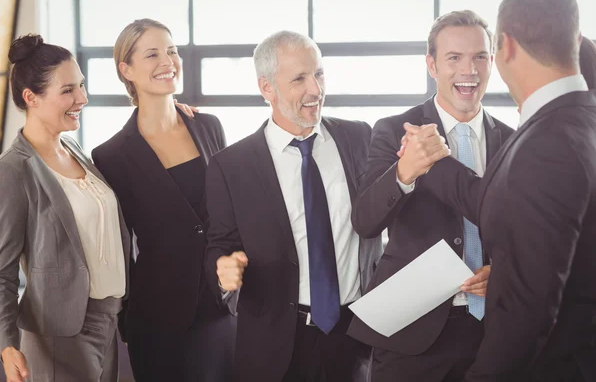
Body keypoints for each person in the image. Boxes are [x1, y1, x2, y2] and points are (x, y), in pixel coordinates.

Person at [400, 0, 596, 380]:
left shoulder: (545, 142)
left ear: (503, 50)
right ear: (573, 41)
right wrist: (432, 165)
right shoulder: (586, 120)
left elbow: (526, 310)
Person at [203, 30, 382, 382]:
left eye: (318, 74)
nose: (315, 90)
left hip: (353, 338)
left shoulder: (359, 137)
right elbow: (219, 245)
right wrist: (223, 268)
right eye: (299, 78)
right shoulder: (232, 165)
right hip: (274, 344)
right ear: (267, 88)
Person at [345, 10, 513, 382]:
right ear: (432, 65)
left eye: (479, 57)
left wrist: (502, 271)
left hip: (490, 335)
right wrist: (405, 173)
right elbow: (365, 221)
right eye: (454, 58)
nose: (468, 69)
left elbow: (522, 229)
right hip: (411, 336)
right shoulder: (393, 130)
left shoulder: (513, 139)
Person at [91, 19, 235, 382]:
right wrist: (121, 315)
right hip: (158, 315)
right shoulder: (110, 155)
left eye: (171, 50)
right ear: (126, 70)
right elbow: (118, 245)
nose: (168, 61)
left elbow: (232, 207)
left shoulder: (208, 127)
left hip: (221, 305)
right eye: (152, 53)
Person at [0, 34, 130, 382]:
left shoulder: (73, 149)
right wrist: (7, 343)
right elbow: (3, 268)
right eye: (68, 90)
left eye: (82, 86)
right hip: (60, 334)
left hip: (110, 321)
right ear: (31, 98)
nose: (82, 98)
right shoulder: (13, 169)